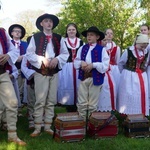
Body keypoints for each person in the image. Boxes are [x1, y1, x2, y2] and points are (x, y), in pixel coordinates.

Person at [26, 13, 69, 137]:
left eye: (50, 21)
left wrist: (57, 59)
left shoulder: (59, 38)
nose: (49, 23)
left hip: (54, 71)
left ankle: (48, 126)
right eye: (46, 21)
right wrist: (41, 60)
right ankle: (37, 127)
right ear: (41, 24)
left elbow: (65, 53)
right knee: (40, 100)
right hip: (41, 72)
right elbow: (29, 54)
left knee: (51, 100)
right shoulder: (36, 37)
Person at [74, 26, 110, 120]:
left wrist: (93, 65)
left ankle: (90, 123)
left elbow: (105, 65)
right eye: (88, 35)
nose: (89, 37)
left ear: (97, 37)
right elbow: (76, 62)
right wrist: (81, 63)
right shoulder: (82, 48)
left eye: (91, 35)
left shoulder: (102, 50)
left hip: (95, 78)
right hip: (84, 78)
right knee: (82, 102)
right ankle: (82, 122)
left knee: (92, 104)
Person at [0, 27, 26, 145]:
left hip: (2, 73)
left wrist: (8, 55)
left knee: (13, 102)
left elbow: (13, 50)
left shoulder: (2, 32)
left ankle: (12, 135)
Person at [118, 34, 149, 115]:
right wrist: (124, 74)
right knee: (129, 94)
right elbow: (121, 63)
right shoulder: (128, 51)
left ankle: (140, 114)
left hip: (141, 76)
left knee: (139, 95)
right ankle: (126, 115)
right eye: (141, 46)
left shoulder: (146, 52)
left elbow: (145, 64)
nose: (143, 48)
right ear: (137, 43)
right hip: (129, 77)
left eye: (144, 47)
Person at [57, 23, 84, 111]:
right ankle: (69, 106)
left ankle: (78, 106)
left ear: (76, 31)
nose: (71, 31)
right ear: (67, 31)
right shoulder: (63, 41)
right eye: (69, 30)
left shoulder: (81, 42)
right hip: (66, 67)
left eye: (73, 29)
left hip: (78, 67)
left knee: (79, 86)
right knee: (68, 85)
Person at [8, 24, 28, 107]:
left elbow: (30, 53)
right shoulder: (8, 44)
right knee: (15, 89)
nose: (17, 33)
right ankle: (16, 108)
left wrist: (23, 57)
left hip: (25, 68)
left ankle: (26, 106)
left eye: (19, 31)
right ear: (12, 33)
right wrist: (16, 58)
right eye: (15, 31)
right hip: (13, 69)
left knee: (25, 88)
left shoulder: (25, 44)